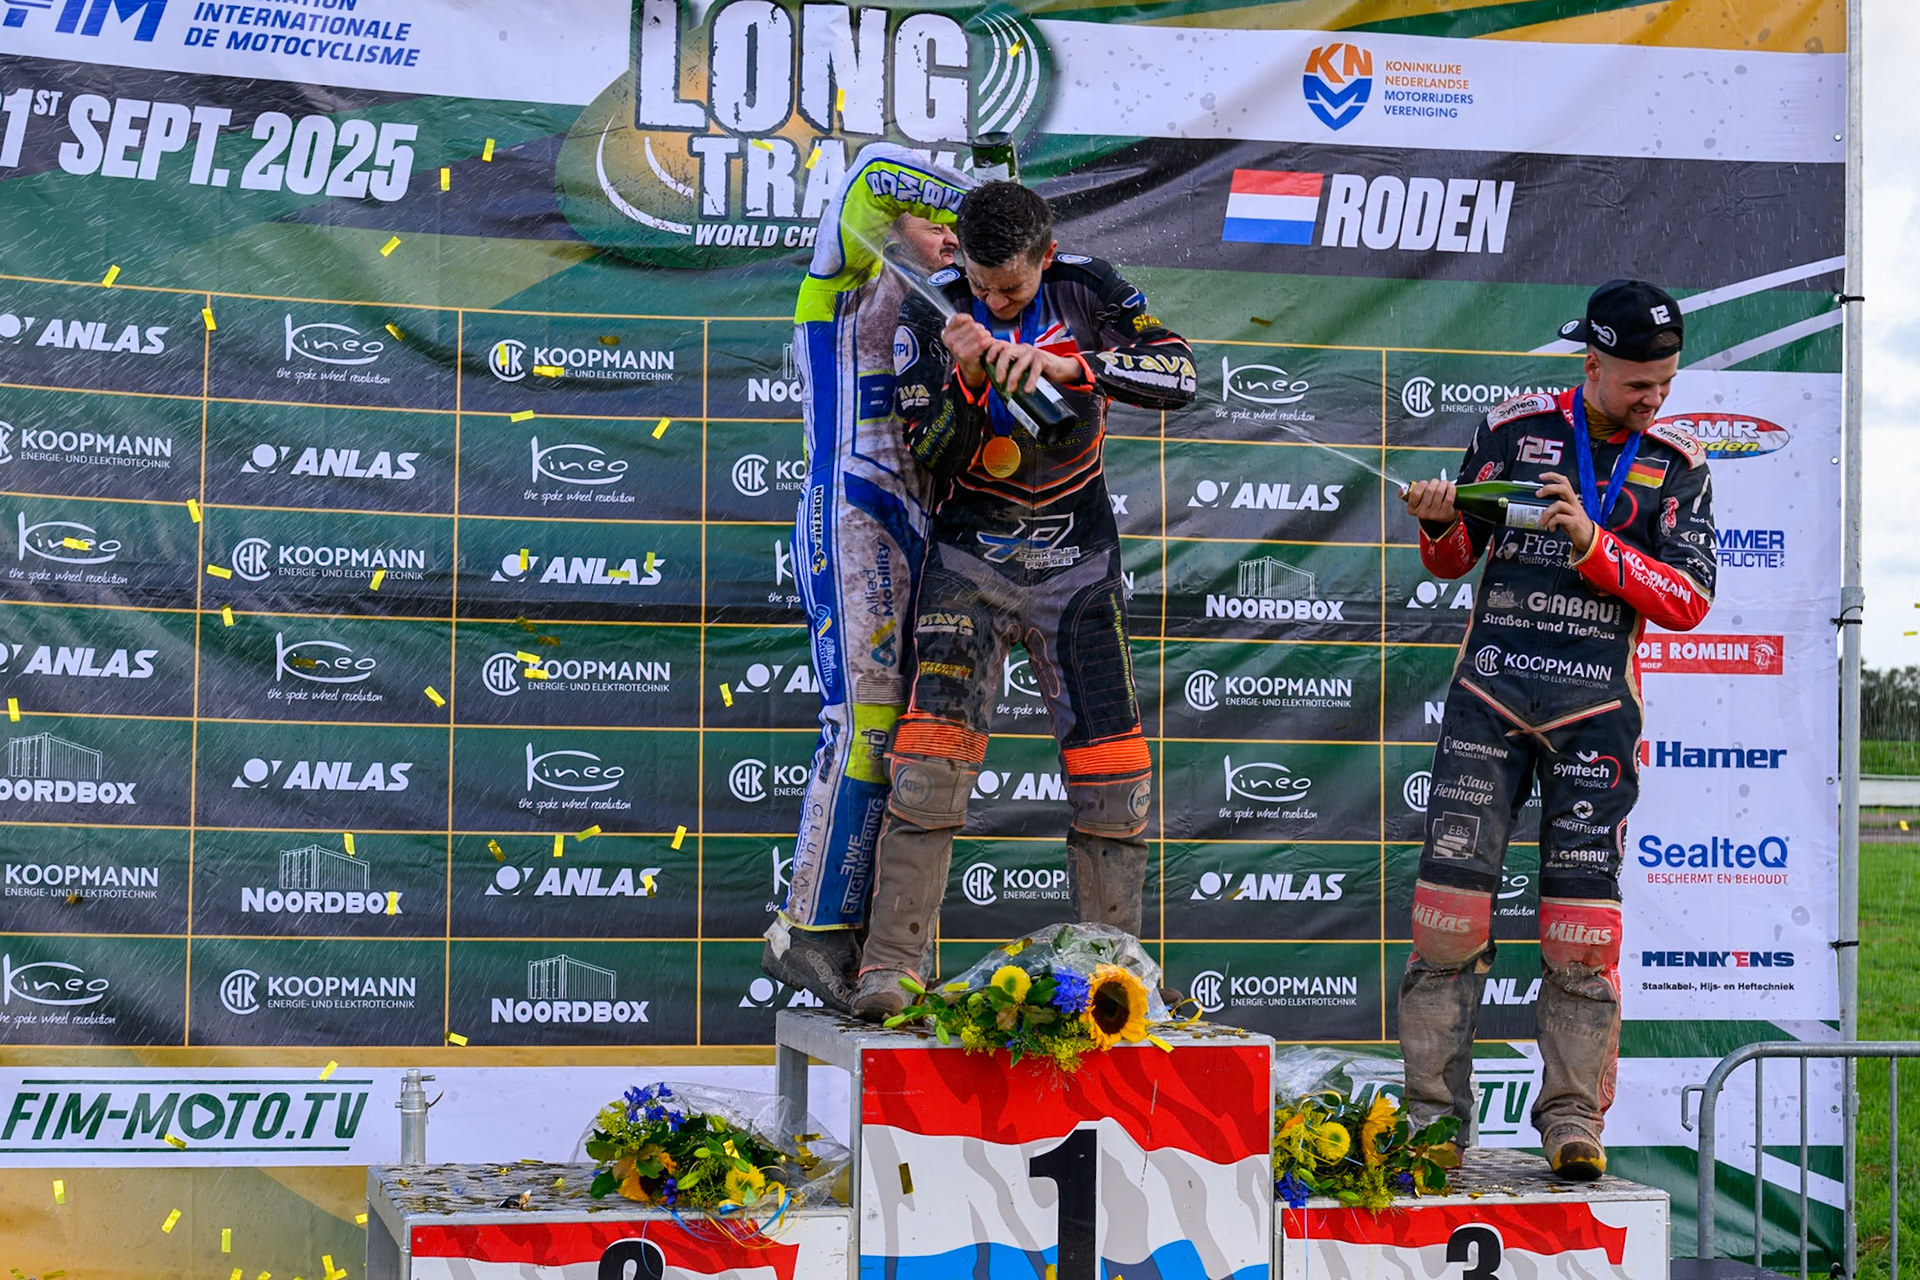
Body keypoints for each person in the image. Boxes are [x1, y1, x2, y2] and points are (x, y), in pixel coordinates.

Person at [850, 180, 1198, 1018]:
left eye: (1011, 288)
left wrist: (1068, 365)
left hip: (1079, 559)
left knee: (1113, 776)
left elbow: (1180, 375)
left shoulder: (1089, 286)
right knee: (930, 768)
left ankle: (1117, 979)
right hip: (971, 556)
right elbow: (933, 452)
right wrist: (969, 379)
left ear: (1046, 256)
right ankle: (890, 968)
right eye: (981, 283)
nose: (995, 301)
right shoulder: (929, 310)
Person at [1397, 279, 1716, 1179]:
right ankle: (1432, 1124)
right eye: (1638, 384)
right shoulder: (1512, 428)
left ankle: (1573, 1120)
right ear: (1592, 364)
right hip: (1490, 699)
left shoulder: (1678, 463)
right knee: (1447, 925)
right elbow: (1458, 557)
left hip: (1596, 715)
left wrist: (1594, 545)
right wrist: (1437, 525)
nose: (1654, 399)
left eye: (1666, 383)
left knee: (1582, 937)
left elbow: (1690, 599)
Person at [761, 144, 969, 1012]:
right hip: (853, 511)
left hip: (918, 524)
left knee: (911, 739)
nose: (953, 239)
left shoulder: (952, 301)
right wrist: (987, 205)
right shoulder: (849, 269)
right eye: (938, 224)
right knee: (865, 723)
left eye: (964, 233)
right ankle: (807, 929)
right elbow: (874, 169)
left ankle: (883, 948)